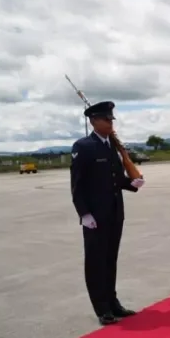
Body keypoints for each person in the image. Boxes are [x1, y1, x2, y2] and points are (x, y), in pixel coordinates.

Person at [69, 101, 145, 326]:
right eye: (106, 120)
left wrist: (133, 184)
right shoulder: (83, 146)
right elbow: (77, 184)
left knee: (110, 260)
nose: (110, 123)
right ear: (93, 121)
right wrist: (84, 214)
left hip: (114, 213)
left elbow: (116, 179)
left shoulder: (111, 146)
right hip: (95, 217)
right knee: (95, 262)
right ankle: (101, 308)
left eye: (112, 120)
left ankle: (113, 303)